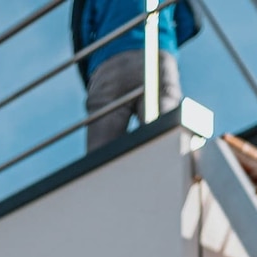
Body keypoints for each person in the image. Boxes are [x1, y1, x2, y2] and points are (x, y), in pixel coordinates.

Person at [74, 0, 197, 152]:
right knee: (166, 142)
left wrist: (92, 72)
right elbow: (192, 22)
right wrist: (166, 43)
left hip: (108, 62)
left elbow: (81, 31)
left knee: (100, 156)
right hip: (158, 55)